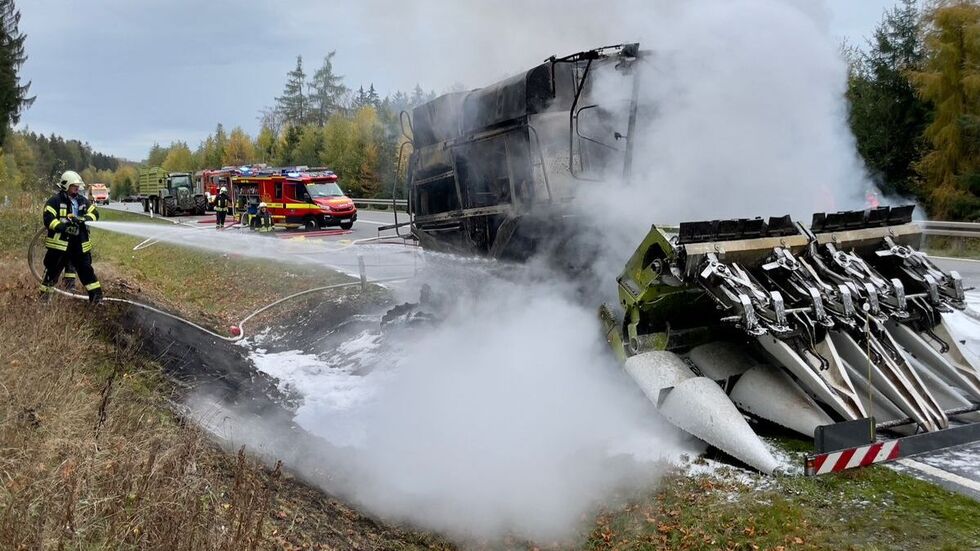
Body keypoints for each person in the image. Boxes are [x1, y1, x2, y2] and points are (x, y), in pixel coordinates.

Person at [41, 170, 102, 303]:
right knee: (52, 273)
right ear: (66, 185)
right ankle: (44, 301)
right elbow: (48, 219)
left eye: (78, 186)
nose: (77, 188)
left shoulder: (82, 201)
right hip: (60, 246)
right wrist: (64, 227)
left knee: (87, 272)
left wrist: (83, 218)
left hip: (79, 245)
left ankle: (97, 300)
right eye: (74, 186)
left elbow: (95, 214)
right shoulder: (54, 201)